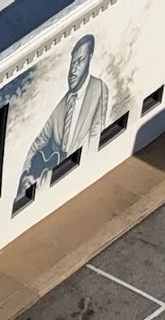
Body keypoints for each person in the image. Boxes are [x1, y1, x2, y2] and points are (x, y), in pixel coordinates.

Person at [16, 33, 108, 201]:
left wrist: (90, 167)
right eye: (72, 63)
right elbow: (38, 143)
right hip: (51, 176)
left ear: (90, 58)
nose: (73, 70)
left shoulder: (98, 89)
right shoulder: (60, 107)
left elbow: (97, 132)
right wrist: (24, 179)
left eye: (80, 62)